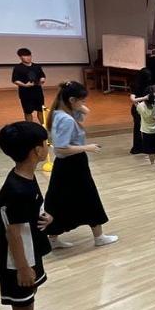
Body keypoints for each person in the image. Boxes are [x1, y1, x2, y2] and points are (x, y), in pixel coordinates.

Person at [0, 121, 59, 310]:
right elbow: (12, 233)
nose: (48, 146)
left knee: (29, 298)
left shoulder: (27, 176)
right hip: (18, 260)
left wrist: (46, 217)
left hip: (31, 251)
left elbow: (29, 212)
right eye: (45, 143)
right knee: (20, 308)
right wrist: (22, 267)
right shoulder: (16, 189)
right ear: (36, 151)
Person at [43, 81, 118, 249]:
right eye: (82, 100)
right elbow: (61, 148)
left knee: (59, 200)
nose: (84, 104)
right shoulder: (66, 119)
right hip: (73, 164)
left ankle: (53, 238)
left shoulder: (59, 112)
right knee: (88, 197)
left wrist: (74, 100)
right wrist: (87, 147)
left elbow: (86, 111)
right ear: (71, 100)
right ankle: (99, 237)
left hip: (65, 165)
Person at [11, 48, 46, 123]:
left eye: (29, 56)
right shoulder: (17, 68)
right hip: (25, 94)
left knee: (41, 110)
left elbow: (42, 75)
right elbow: (15, 80)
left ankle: (44, 126)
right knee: (28, 112)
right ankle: (30, 126)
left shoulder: (37, 66)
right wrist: (25, 85)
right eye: (25, 56)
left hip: (38, 92)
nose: (28, 58)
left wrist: (42, 79)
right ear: (20, 57)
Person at [135, 91, 155, 165]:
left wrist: (143, 98)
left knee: (149, 148)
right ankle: (154, 160)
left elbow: (134, 101)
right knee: (154, 147)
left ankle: (152, 162)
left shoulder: (141, 107)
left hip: (145, 131)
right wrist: (151, 96)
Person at [129, 68, 153, 155]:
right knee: (139, 128)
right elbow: (133, 99)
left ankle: (142, 146)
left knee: (142, 128)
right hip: (138, 109)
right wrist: (144, 99)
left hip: (143, 109)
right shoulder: (136, 85)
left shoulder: (148, 86)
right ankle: (137, 147)